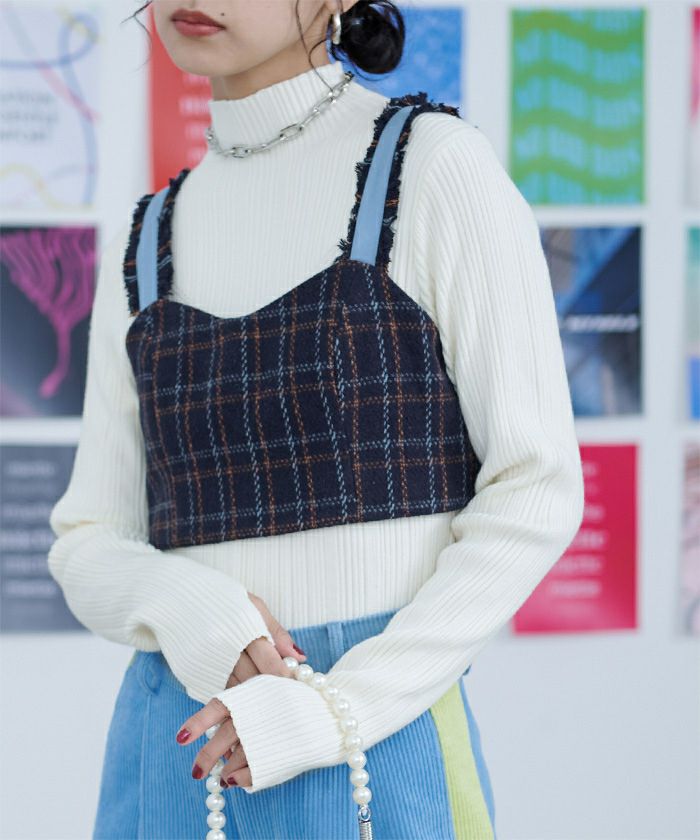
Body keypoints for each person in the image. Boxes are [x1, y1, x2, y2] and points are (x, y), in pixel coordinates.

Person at [47, 1, 585, 838]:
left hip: (377, 737)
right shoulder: (146, 235)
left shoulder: (432, 168)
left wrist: (339, 709)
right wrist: (192, 608)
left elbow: (536, 488)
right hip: (181, 741)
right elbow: (87, 538)